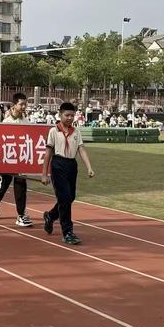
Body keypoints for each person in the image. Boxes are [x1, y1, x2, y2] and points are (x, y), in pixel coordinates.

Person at [41, 102, 95, 245]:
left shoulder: (76, 132)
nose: (70, 118)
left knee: (70, 197)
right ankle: (67, 232)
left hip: (71, 165)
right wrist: (44, 174)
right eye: (67, 115)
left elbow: (81, 149)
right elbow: (48, 154)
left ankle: (51, 216)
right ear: (60, 115)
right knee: (64, 198)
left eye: (72, 115)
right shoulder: (54, 131)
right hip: (58, 164)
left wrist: (89, 167)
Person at [0, 93, 33, 227]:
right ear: (14, 105)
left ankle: (21, 215)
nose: (24, 107)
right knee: (4, 183)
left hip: (20, 159)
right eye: (21, 104)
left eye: (25, 104)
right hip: (7, 158)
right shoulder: (7, 122)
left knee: (21, 184)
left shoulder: (26, 120)